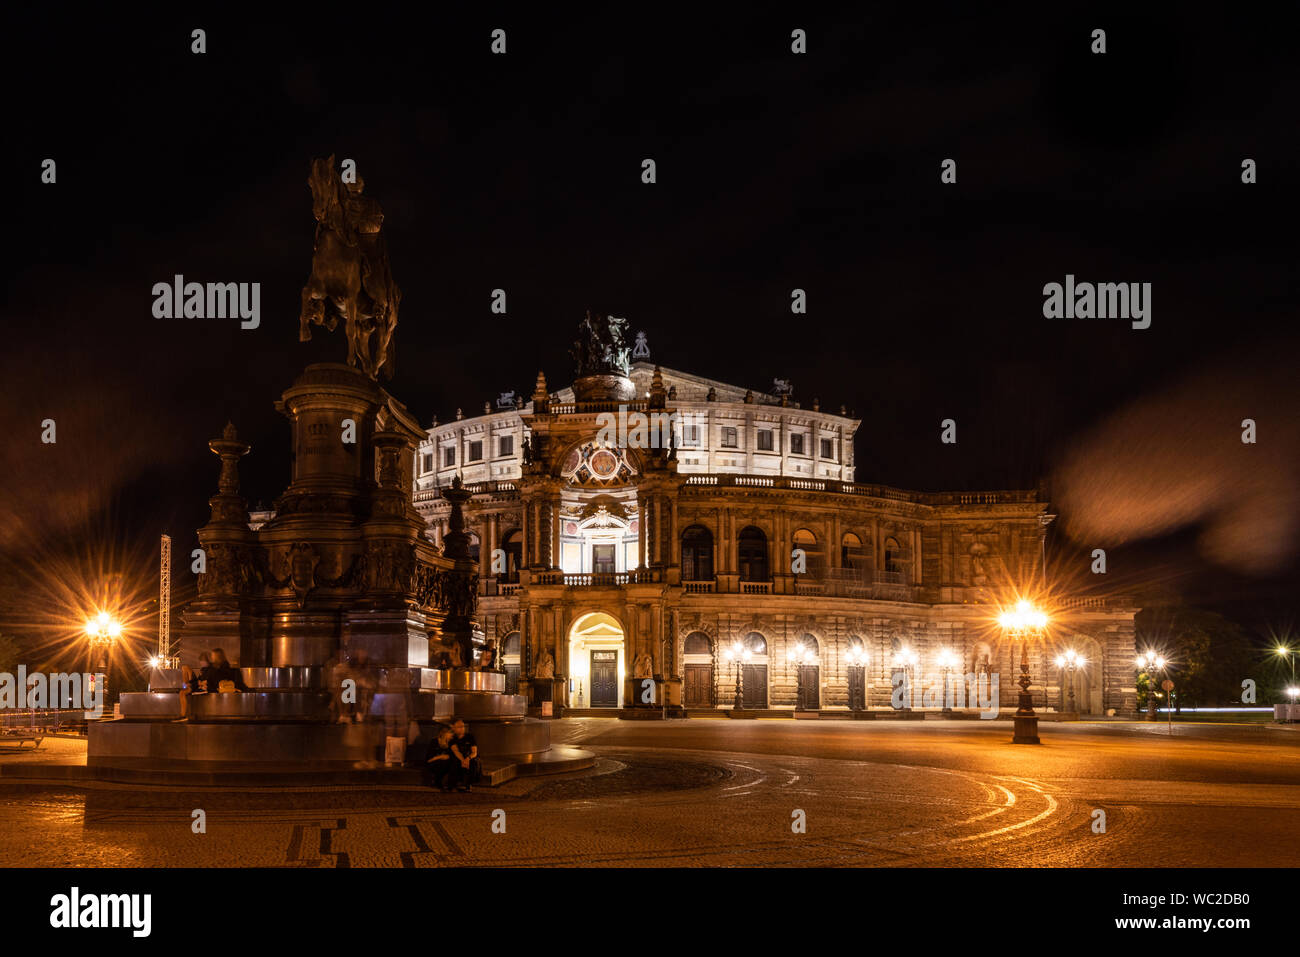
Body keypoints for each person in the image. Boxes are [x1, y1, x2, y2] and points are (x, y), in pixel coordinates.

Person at [447, 718, 480, 791]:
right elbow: (456, 751)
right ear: (454, 728)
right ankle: (452, 784)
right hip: (459, 757)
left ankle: (468, 784)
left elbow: (474, 752)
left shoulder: (470, 737)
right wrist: (463, 761)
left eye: (463, 726)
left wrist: (468, 759)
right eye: (459, 727)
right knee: (455, 762)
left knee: (473, 762)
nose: (462, 728)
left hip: (469, 756)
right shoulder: (453, 739)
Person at [424, 727, 455, 791]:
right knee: (441, 763)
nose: (452, 735)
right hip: (433, 762)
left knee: (448, 763)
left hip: (444, 763)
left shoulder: (450, 743)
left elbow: (450, 756)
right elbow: (429, 758)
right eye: (451, 733)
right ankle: (438, 782)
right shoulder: (434, 741)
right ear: (445, 733)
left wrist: (442, 757)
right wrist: (440, 757)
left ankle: (440, 782)